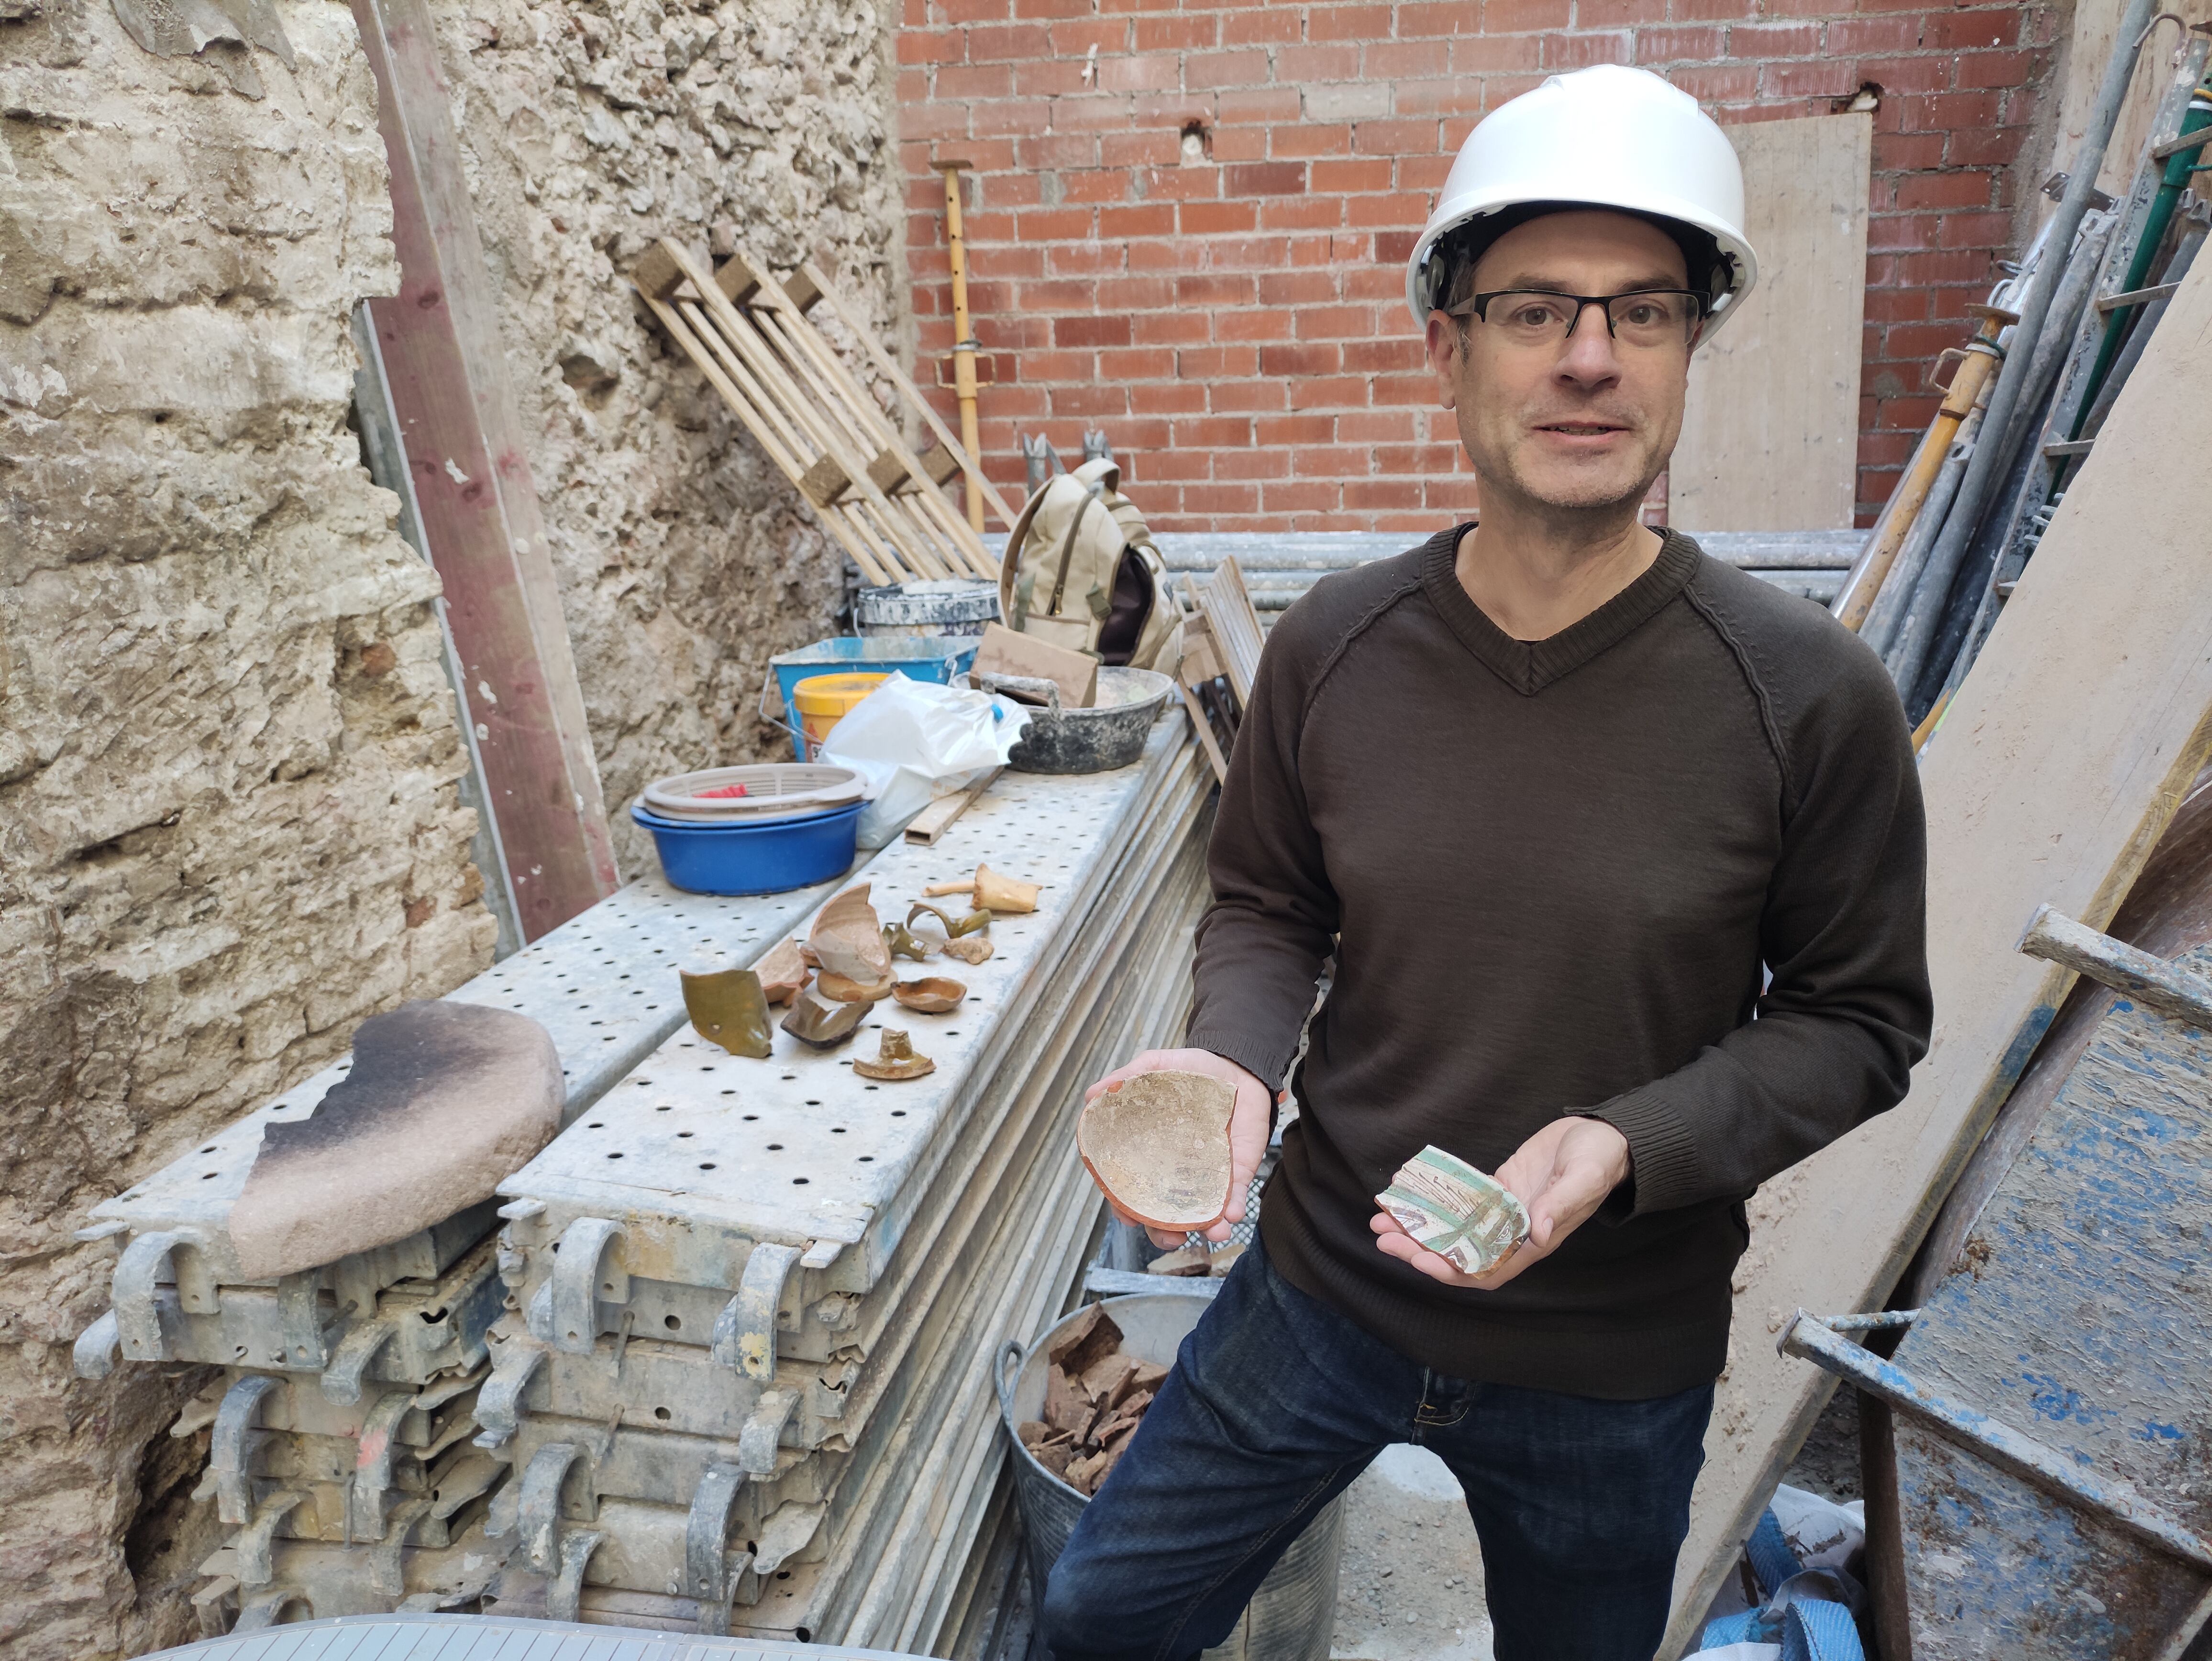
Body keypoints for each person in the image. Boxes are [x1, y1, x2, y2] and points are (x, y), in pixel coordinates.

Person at [1042, 63, 1933, 1661]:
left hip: (1611, 1354)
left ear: (1685, 351)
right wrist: (1236, 1061)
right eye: (1536, 309)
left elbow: (1861, 1023)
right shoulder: (1336, 647)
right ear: (1447, 345)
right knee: (1099, 1618)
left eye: (1642, 312)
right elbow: (1267, 900)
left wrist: (1628, 1139)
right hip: (1317, 1294)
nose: (1590, 358)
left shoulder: (1808, 696)